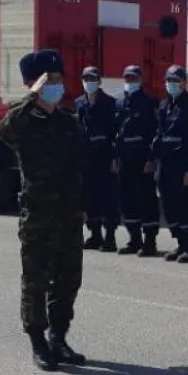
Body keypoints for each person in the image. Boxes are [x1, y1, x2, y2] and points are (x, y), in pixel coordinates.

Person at [0, 49, 88, 371]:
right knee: (36, 280)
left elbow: (81, 166)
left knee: (68, 280)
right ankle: (37, 342)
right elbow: (3, 130)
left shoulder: (68, 122)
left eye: (59, 79)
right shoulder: (21, 120)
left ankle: (58, 339)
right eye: (50, 80)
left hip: (69, 214)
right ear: (32, 84)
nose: (57, 85)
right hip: (38, 214)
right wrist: (32, 97)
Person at [154, 65, 188, 262]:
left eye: (176, 80)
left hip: (183, 166)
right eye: (169, 80)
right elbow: (160, 134)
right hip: (165, 165)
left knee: (186, 206)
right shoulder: (163, 105)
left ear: (184, 83)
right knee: (170, 206)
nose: (172, 84)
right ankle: (180, 243)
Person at [113, 64, 161, 257]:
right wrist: (115, 158)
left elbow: (156, 132)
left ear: (141, 80)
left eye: (133, 78)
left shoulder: (150, 102)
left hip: (142, 160)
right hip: (124, 159)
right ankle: (134, 239)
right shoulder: (118, 103)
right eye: (127, 79)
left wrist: (151, 158)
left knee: (146, 200)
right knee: (127, 200)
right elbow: (114, 133)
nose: (130, 82)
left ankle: (150, 242)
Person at [75, 66, 120, 253]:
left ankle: (110, 237)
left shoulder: (110, 104)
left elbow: (117, 133)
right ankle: (94, 234)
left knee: (107, 197)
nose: (88, 82)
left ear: (99, 81)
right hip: (86, 157)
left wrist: (115, 157)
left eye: (92, 78)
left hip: (105, 156)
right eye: (85, 78)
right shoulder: (79, 103)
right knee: (88, 197)